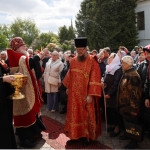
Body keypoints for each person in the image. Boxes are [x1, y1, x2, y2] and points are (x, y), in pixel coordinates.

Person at [7, 37, 48, 148]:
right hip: (22, 91)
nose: (25, 46)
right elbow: (30, 62)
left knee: (32, 112)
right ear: (18, 47)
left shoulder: (22, 56)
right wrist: (41, 54)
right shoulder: (20, 58)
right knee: (25, 114)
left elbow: (31, 64)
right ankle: (24, 138)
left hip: (27, 89)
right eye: (23, 45)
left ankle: (34, 134)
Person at [63, 37, 102, 146]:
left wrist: (90, 94)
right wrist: (68, 87)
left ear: (86, 49)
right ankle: (75, 136)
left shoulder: (92, 61)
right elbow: (70, 74)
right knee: (74, 115)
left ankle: (86, 137)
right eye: (77, 50)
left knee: (87, 116)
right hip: (74, 95)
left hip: (86, 95)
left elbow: (95, 78)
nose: (79, 52)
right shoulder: (74, 60)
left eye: (81, 50)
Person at [117, 56, 141, 149]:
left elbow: (135, 94)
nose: (121, 65)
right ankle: (128, 135)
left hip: (131, 106)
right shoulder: (127, 73)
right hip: (125, 105)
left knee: (133, 125)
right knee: (127, 122)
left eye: (123, 63)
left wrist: (134, 108)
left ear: (128, 64)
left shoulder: (133, 75)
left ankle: (134, 141)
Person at [102, 53, 123, 137]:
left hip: (113, 95)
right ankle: (113, 125)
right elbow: (104, 77)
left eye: (110, 58)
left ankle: (117, 128)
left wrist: (110, 93)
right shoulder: (108, 67)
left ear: (115, 59)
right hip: (106, 92)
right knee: (109, 111)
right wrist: (102, 82)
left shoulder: (118, 69)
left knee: (115, 112)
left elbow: (116, 83)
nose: (108, 59)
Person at [0, 62, 17, 149]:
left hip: (3, 100)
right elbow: (3, 77)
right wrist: (3, 79)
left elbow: (4, 74)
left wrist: (14, 76)